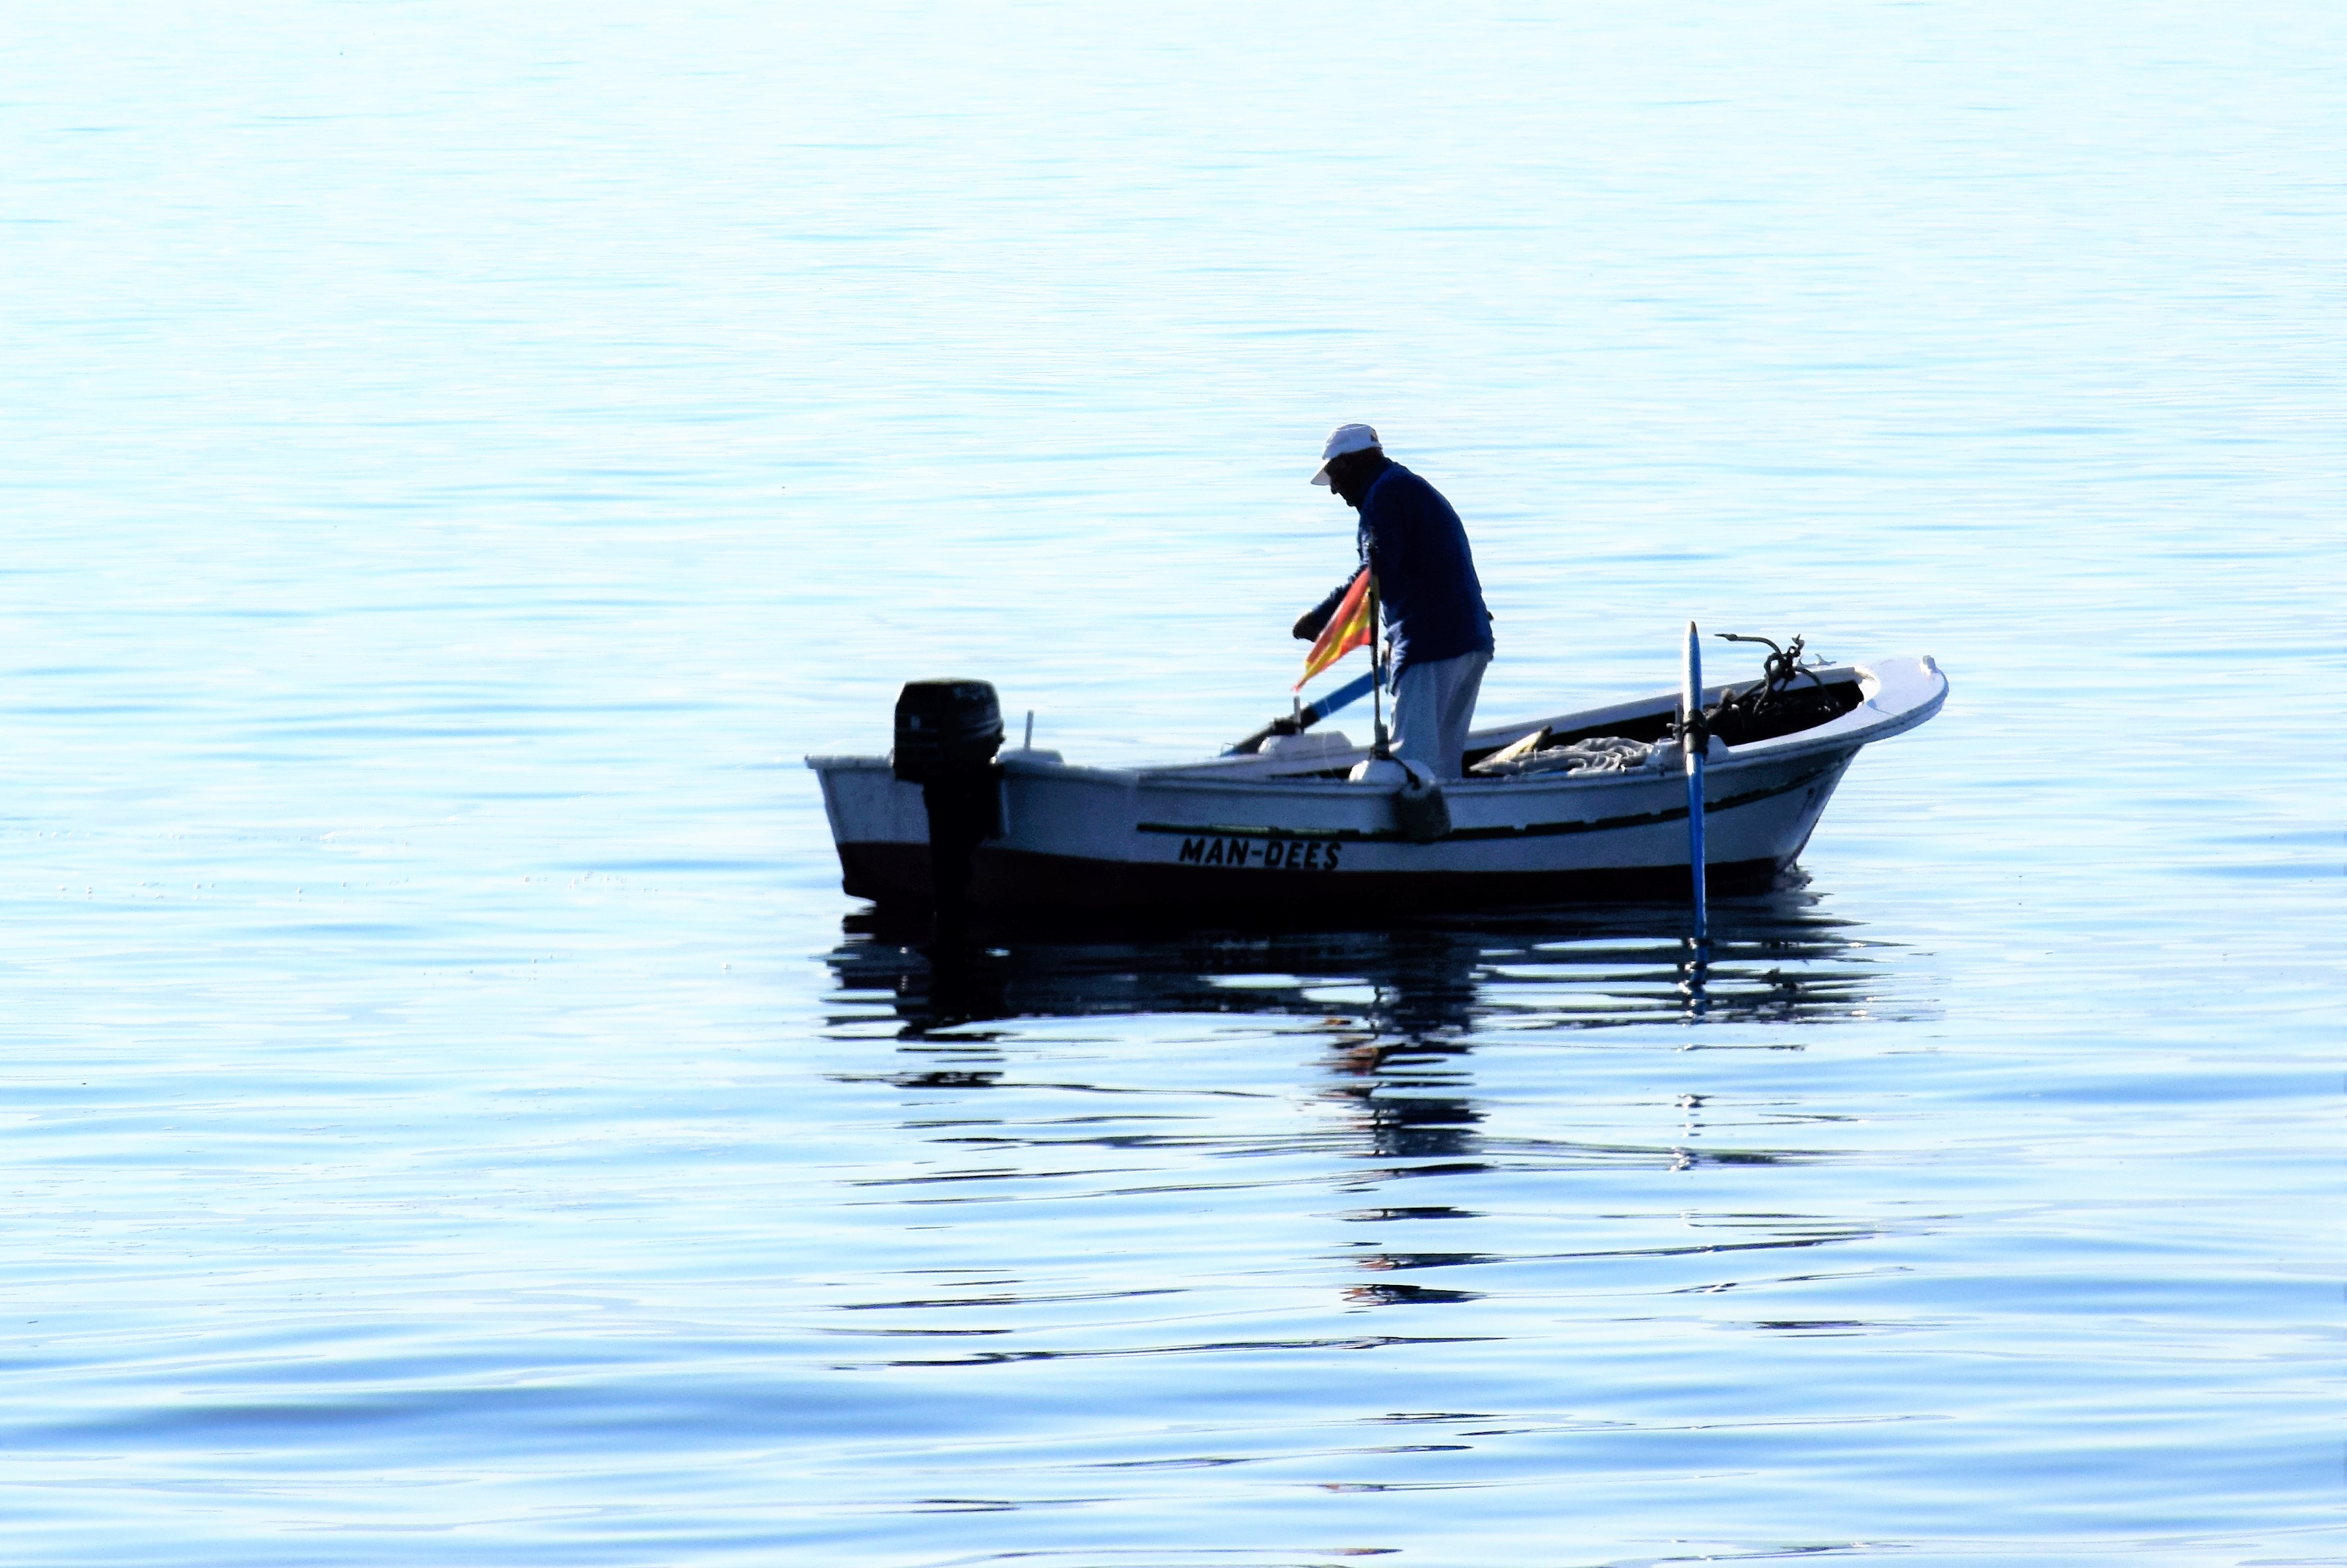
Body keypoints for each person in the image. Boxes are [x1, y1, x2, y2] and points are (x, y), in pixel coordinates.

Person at [1291, 423, 1493, 780]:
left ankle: (1401, 832)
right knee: (1442, 771)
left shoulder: (1383, 495)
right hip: (1469, 639)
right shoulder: (1406, 486)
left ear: (1353, 463)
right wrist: (1391, 638)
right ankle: (1450, 829)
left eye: (1335, 476)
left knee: (1410, 768)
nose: (1335, 490)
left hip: (1431, 648)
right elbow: (1417, 572)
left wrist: (1320, 618)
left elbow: (1377, 574)